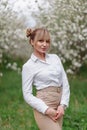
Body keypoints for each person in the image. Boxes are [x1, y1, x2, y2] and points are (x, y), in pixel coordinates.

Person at [22, 27, 70, 130]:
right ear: (32, 41)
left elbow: (64, 82)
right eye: (40, 41)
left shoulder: (55, 58)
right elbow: (27, 94)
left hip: (59, 106)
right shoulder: (28, 66)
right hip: (43, 106)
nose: (45, 44)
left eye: (47, 41)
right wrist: (46, 109)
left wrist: (63, 105)